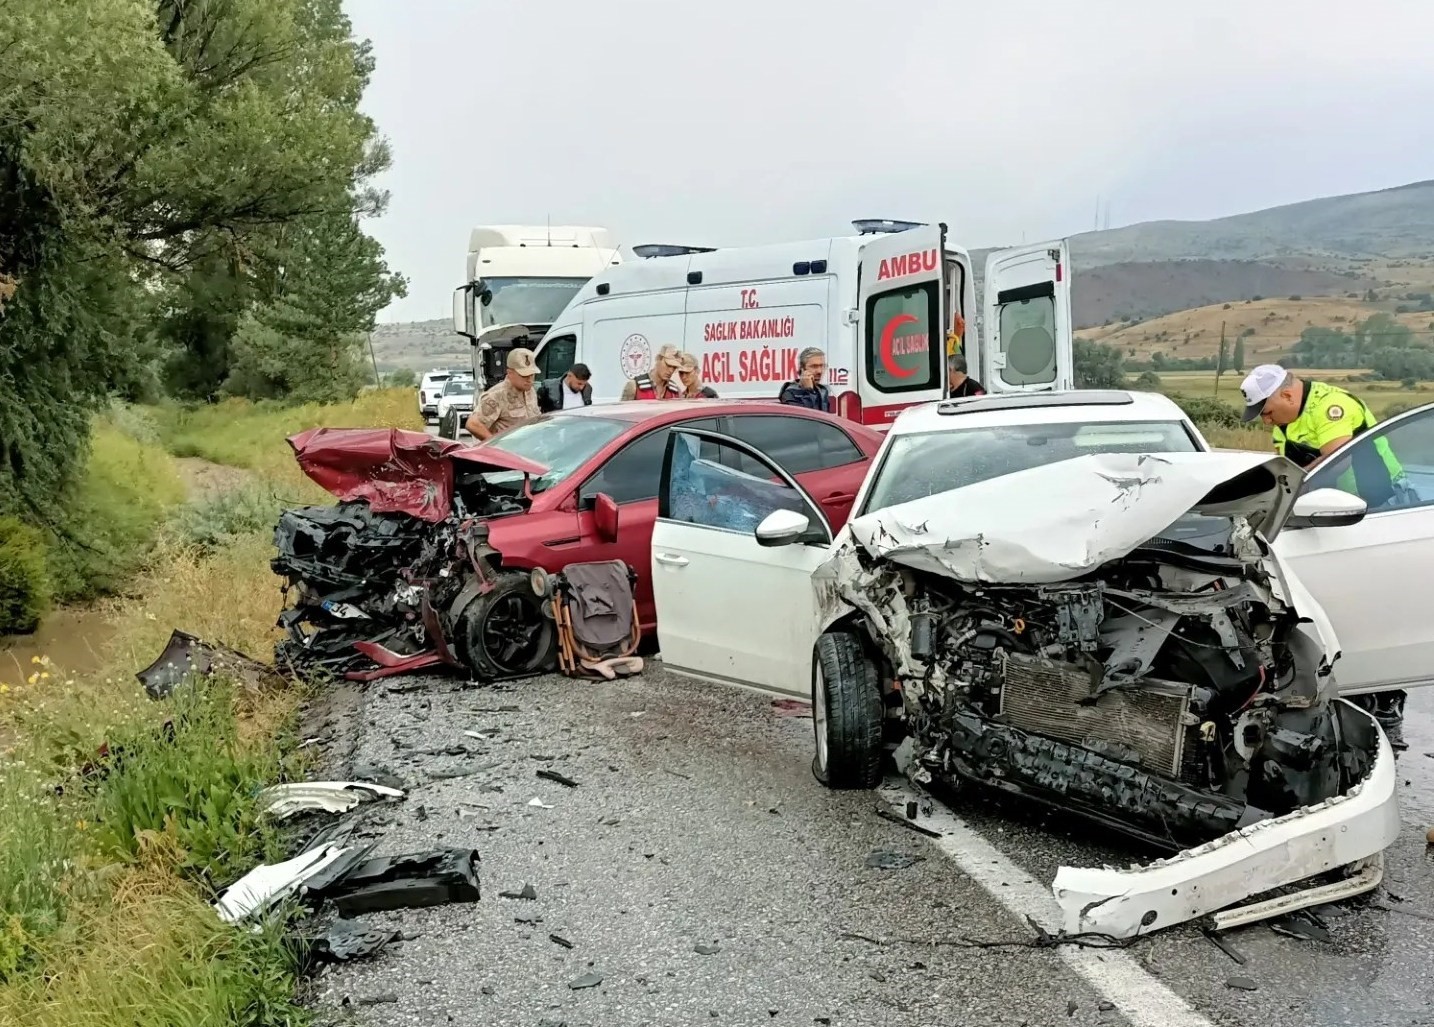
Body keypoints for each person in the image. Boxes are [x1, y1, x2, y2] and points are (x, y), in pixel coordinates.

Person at [1240, 363, 1411, 750]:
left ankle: (1388, 701)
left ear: (1286, 394)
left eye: (1266, 412)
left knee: (1379, 605)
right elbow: (1290, 473)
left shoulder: (1331, 406)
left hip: (1378, 509)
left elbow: (1337, 460)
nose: (1266, 423)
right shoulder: (1286, 422)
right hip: (1333, 515)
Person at [466, 347, 541, 440]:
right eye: (524, 375)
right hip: (510, 451)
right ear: (510, 373)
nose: (529, 380)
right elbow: (473, 424)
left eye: (532, 375)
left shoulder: (530, 391)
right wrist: (496, 445)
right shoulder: (496, 395)